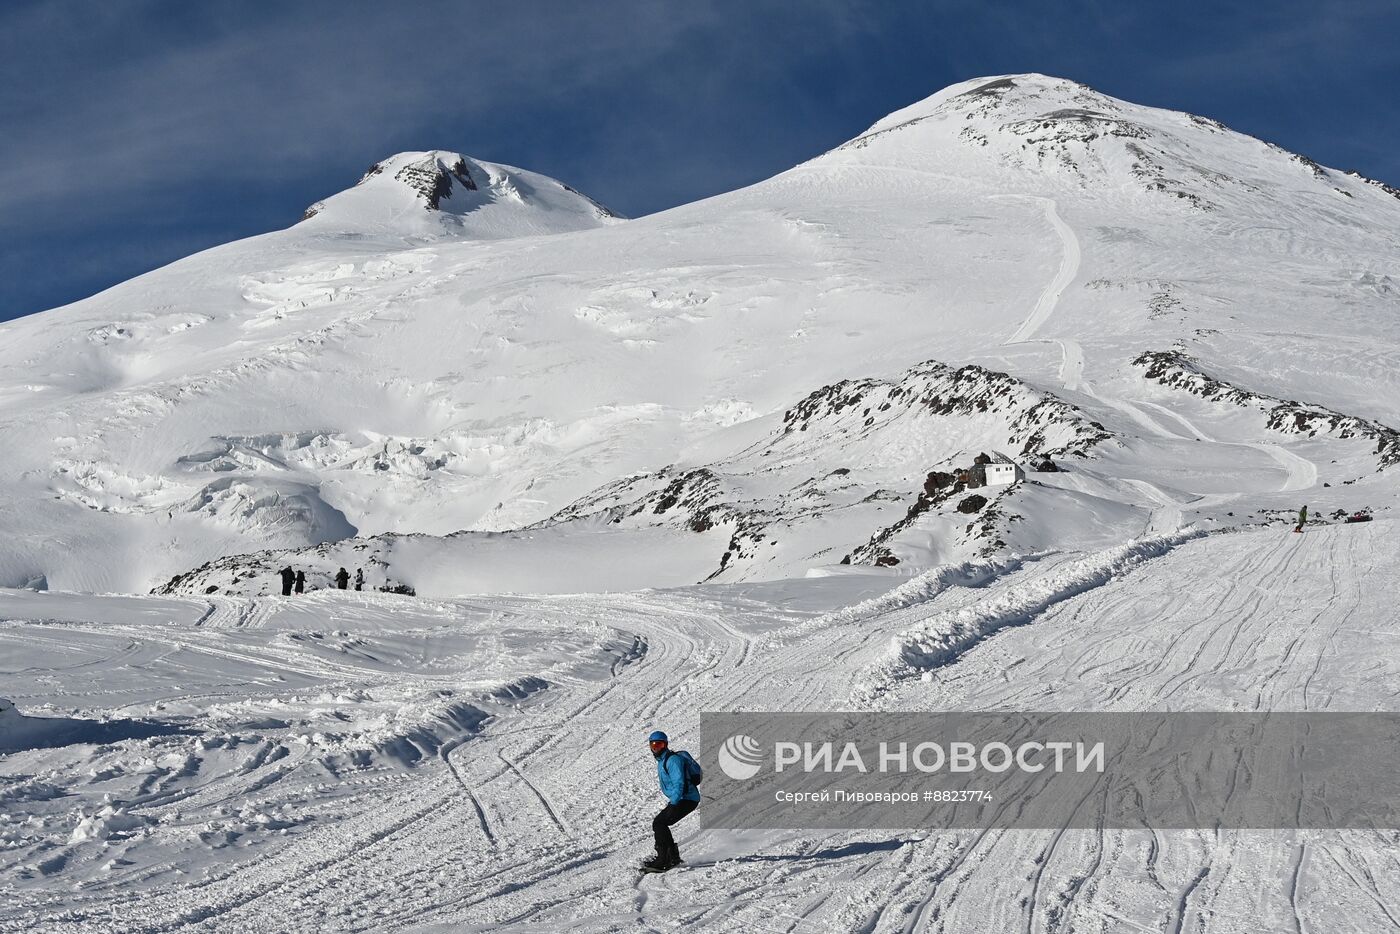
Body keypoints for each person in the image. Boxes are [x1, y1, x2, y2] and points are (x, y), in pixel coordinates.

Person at [642, 730, 700, 872]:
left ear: (666, 745)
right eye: (654, 745)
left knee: (659, 823)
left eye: (660, 745)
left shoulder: (673, 760)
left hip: (686, 799)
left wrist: (674, 803)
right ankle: (672, 858)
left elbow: (679, 783)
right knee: (662, 823)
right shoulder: (663, 760)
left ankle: (663, 860)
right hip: (683, 798)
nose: (656, 748)